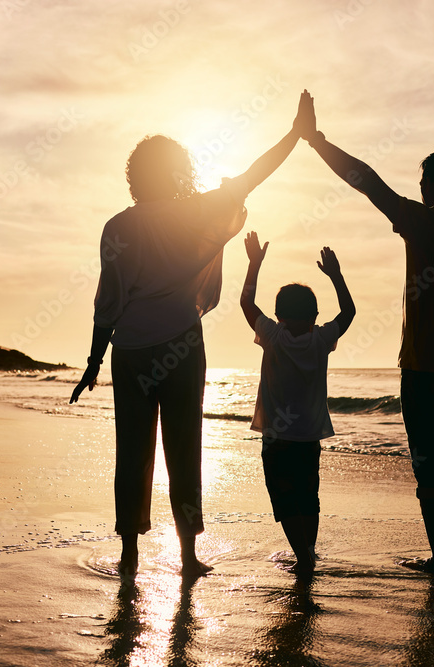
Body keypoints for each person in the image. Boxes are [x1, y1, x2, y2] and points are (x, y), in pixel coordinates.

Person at [70, 92, 315, 579]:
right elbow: (255, 172)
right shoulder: (198, 212)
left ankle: (129, 556)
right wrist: (295, 134)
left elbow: (108, 305)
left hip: (132, 350)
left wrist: (94, 364)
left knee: (132, 452)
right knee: (185, 448)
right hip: (182, 345)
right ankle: (186, 558)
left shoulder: (117, 226)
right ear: (179, 171)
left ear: (135, 176)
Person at [296, 94, 434, 575]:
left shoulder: (428, 223)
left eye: (423, 180)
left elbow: (368, 183)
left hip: (427, 369)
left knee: (431, 467)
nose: (419, 186)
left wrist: (316, 141)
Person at [240, 231, 355, 574]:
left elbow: (246, 302)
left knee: (284, 499)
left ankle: (304, 559)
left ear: (278, 316)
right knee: (308, 497)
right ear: (315, 315)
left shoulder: (273, 337)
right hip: (308, 437)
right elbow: (348, 311)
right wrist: (336, 276)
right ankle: (308, 553)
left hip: (276, 437)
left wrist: (253, 265)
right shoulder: (321, 339)